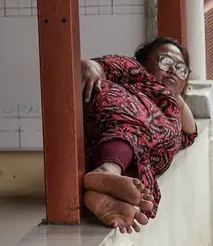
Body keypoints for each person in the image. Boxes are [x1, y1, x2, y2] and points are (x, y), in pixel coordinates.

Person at [80, 38, 198, 233]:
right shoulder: (136, 74)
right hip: (110, 121)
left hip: (140, 152)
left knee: (156, 137)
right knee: (140, 123)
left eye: (180, 69)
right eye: (165, 62)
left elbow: (191, 133)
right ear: (143, 63)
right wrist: (90, 66)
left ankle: (103, 197)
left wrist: (173, 95)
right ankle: (107, 172)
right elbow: (104, 66)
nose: (172, 71)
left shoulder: (171, 115)